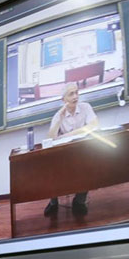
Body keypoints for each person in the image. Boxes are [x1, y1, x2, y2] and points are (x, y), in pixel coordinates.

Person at [44, 82, 100, 217]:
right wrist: (59, 120)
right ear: (63, 100)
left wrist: (68, 135)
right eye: (71, 94)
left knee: (89, 165)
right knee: (51, 168)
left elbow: (94, 125)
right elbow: (50, 139)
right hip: (65, 156)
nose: (75, 96)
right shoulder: (59, 115)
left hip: (84, 151)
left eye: (76, 92)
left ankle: (79, 201)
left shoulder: (85, 107)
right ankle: (53, 202)